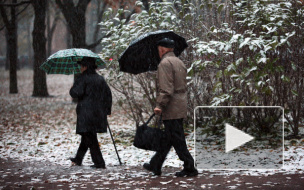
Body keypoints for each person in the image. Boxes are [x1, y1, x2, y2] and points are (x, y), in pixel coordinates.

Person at [143, 38, 198, 177]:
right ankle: (155, 164)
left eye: (158, 49)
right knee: (168, 138)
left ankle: (190, 167)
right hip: (179, 104)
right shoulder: (178, 61)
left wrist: (160, 105)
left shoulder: (165, 63)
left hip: (171, 106)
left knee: (177, 138)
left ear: (162, 49)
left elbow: (167, 89)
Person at [69, 57, 112, 169]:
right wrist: (107, 110)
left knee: (90, 137)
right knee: (87, 135)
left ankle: (99, 163)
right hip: (98, 113)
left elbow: (75, 93)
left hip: (86, 113)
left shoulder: (82, 78)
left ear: (85, 67)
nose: (80, 68)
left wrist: (72, 88)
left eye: (81, 66)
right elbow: (108, 95)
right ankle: (78, 158)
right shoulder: (100, 79)